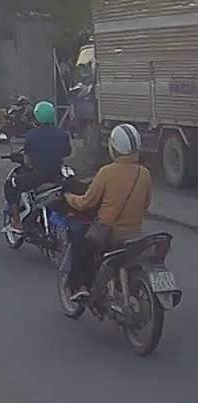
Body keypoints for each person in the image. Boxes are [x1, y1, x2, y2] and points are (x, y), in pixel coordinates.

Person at [63, 123, 151, 302]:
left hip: (109, 235)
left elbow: (85, 203)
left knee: (80, 244)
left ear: (114, 147)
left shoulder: (106, 172)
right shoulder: (145, 174)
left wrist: (69, 197)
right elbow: (146, 204)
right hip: (135, 234)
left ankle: (82, 287)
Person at [3, 100, 71, 234]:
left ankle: (17, 223)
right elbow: (67, 152)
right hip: (58, 176)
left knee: (11, 184)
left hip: (38, 177)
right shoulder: (62, 134)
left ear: (37, 116)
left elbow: (27, 161)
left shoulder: (31, 135)